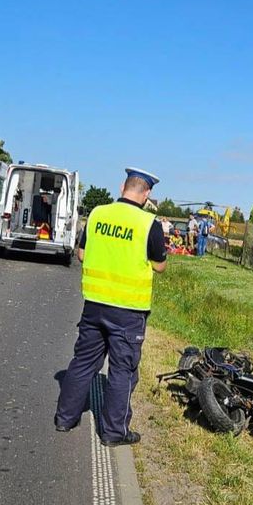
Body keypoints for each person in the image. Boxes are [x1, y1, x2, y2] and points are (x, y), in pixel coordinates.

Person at [54, 167, 167, 446]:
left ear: (122, 187)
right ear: (147, 194)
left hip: (94, 306)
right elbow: (160, 266)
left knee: (83, 362)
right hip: (128, 312)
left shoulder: (97, 214)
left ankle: (64, 419)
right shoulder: (148, 223)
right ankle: (114, 432)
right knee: (121, 371)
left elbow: (81, 253)